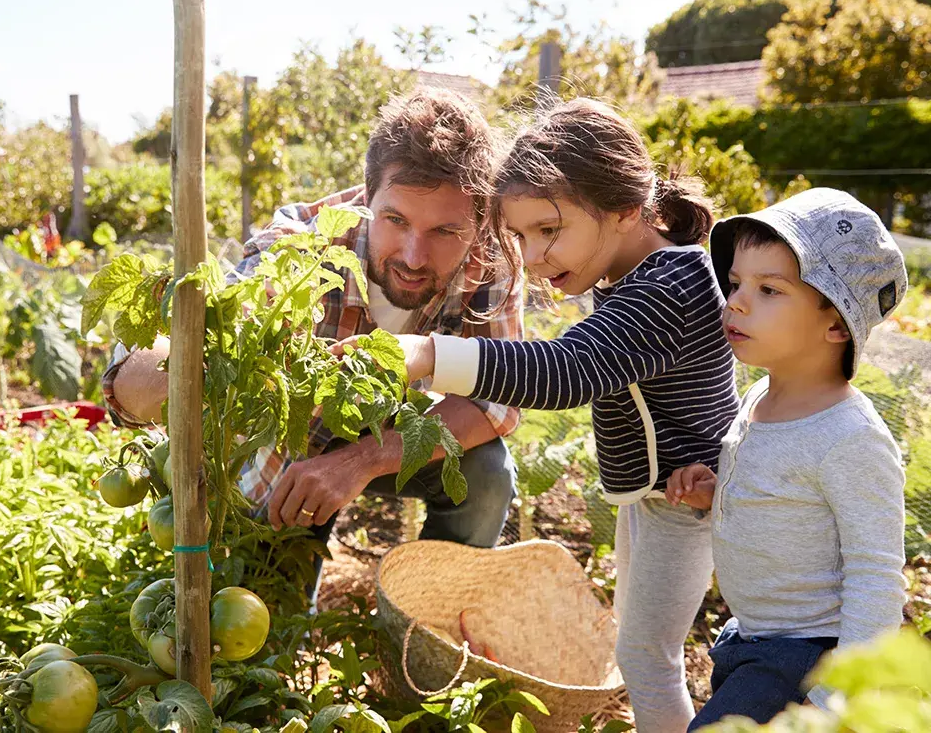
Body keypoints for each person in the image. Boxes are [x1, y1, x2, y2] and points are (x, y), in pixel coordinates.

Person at [336, 97, 741, 733]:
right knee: (651, 652)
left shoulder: (671, 286)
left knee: (649, 659)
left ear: (626, 209)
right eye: (520, 236)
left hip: (688, 505)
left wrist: (423, 354)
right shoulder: (641, 278)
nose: (534, 256)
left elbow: (565, 371)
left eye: (548, 231)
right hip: (665, 498)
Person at [102, 87, 523, 596]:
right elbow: (162, 366)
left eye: (444, 232)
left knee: (485, 472)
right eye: (396, 221)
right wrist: (172, 366)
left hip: (391, 431)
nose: (414, 255)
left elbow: (495, 400)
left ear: (478, 221)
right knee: (266, 622)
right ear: (367, 198)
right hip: (295, 448)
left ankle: (429, 618)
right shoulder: (303, 245)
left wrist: (361, 460)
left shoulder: (492, 259)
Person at [666, 188, 908, 729]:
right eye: (735, 284)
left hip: (806, 657)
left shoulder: (850, 438)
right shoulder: (759, 398)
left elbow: (876, 578)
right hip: (752, 638)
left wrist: (832, 702)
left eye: (769, 289)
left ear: (837, 324)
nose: (737, 302)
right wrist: (717, 491)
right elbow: (782, 495)